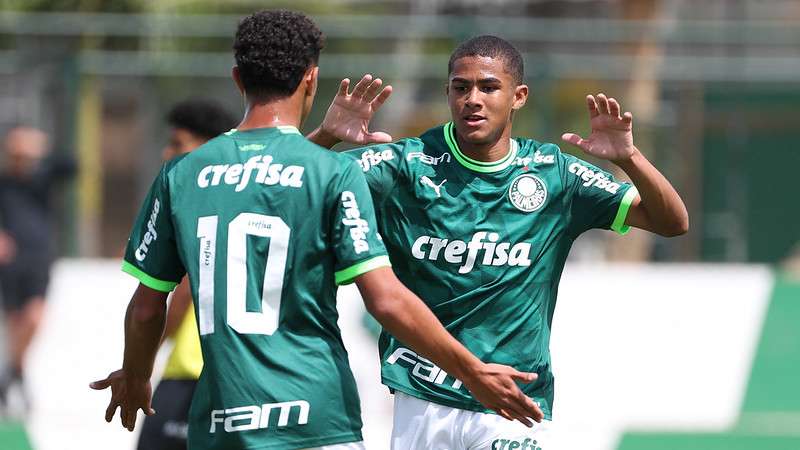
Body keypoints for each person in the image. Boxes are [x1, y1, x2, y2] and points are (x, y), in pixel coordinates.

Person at [90, 12, 542, 450]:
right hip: (316, 418)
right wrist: (473, 372)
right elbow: (385, 299)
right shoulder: (329, 172)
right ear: (311, 79)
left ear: (236, 78)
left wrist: (135, 374)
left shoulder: (183, 175)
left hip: (221, 422)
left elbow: (148, 307)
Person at [310, 35, 689, 449]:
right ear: (448, 93)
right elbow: (297, 183)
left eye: (489, 87)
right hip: (423, 398)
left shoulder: (555, 174)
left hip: (512, 404)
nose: (473, 98)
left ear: (518, 96)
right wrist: (326, 137)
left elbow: (673, 222)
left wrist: (629, 159)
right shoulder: (407, 163)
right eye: (461, 87)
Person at [137, 100, 237, 450]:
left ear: (209, 147)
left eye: (178, 144)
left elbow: (180, 295)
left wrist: (139, 363)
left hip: (193, 372)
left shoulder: (200, 206)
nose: (168, 153)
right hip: (246, 376)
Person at [0, 125, 76, 416]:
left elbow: (71, 166)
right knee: (15, 320)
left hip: (39, 257)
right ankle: (16, 373)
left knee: (34, 318)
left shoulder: (42, 178)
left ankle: (11, 371)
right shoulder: (4, 183)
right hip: (10, 262)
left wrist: (40, 146)